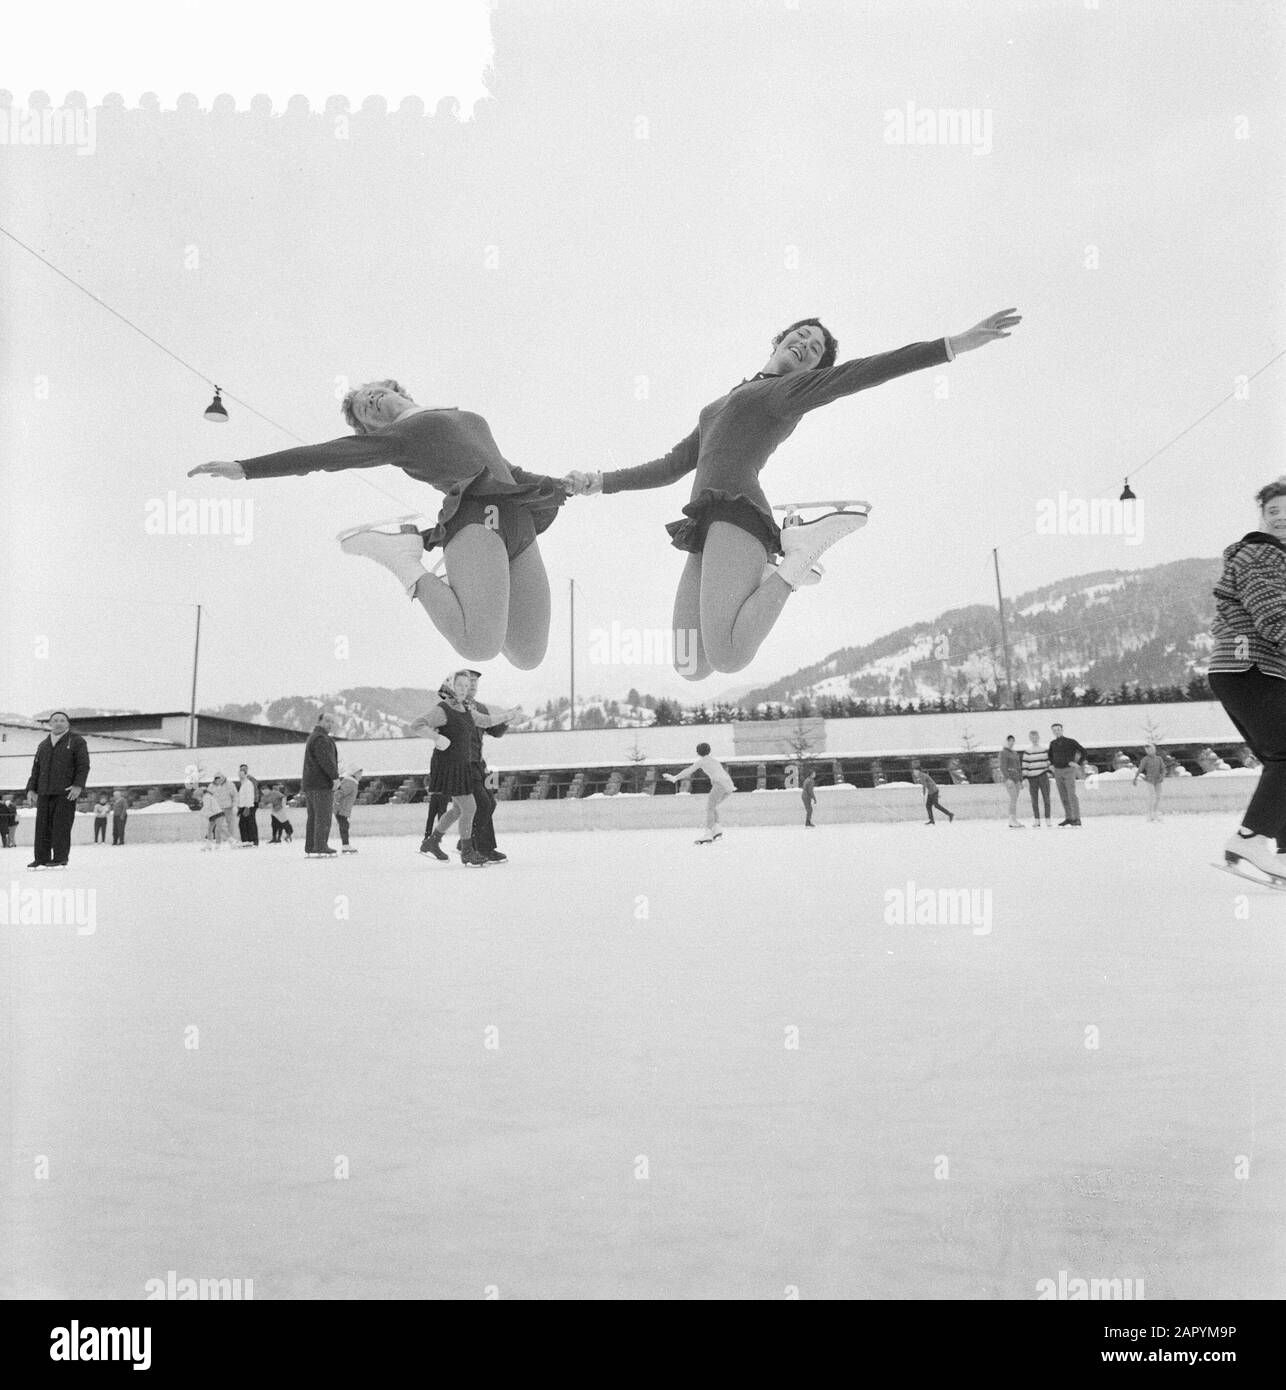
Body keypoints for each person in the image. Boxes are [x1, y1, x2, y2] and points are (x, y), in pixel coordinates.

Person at [563, 309, 1021, 679]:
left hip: (738, 515)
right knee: (690, 664)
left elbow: (865, 372)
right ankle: (773, 566)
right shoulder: (724, 401)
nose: (805, 343)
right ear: (779, 341)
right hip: (705, 525)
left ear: (813, 369)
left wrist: (953, 346)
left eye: (816, 348)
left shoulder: (787, 391)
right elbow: (668, 468)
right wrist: (600, 482)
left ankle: (796, 560)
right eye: (800, 334)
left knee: (729, 657)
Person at [187, 380, 571, 669]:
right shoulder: (399, 437)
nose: (367, 402)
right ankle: (402, 559)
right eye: (363, 412)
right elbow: (325, 455)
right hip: (475, 518)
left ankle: (444, 577)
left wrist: (555, 484)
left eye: (369, 394)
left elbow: (506, 467)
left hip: (519, 517)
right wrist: (247, 468)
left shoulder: (463, 415)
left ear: (392, 388)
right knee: (479, 646)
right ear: (371, 431)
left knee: (527, 654)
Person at [1207, 478, 1286, 880]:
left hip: (1251, 670)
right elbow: (1274, 618)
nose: (1281, 517)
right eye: (1274, 511)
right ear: (1262, 518)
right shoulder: (1261, 554)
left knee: (1280, 759)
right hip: (1250, 667)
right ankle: (1251, 837)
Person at [411, 674, 518, 865]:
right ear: (450, 686)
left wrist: (507, 716)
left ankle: (432, 842)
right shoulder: (443, 709)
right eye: (459, 685)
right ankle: (467, 851)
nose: (463, 689)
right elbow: (417, 725)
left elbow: (485, 721)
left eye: (466, 685)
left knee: (458, 810)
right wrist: (436, 738)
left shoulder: (466, 709)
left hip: (464, 766)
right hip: (449, 767)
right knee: (471, 807)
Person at [24, 712, 90, 869]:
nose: (58, 723)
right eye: (55, 720)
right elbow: (36, 769)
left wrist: (78, 785)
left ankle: (60, 858)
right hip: (44, 792)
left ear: (68, 723)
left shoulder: (76, 741)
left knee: (61, 826)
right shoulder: (43, 745)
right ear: (50, 723)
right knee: (42, 827)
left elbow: (83, 766)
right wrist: (31, 789)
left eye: (62, 720)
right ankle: (41, 858)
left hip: (65, 792)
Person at [663, 742, 736, 842]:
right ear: (709, 751)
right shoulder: (714, 760)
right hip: (729, 786)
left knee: (710, 808)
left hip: (720, 784)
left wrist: (675, 778)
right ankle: (717, 829)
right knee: (712, 807)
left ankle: (708, 833)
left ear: (698, 752)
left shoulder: (702, 761)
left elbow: (689, 770)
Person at [302, 714, 341, 858]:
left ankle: (311, 846)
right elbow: (326, 760)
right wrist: (335, 777)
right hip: (321, 784)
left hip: (310, 783)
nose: (330, 724)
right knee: (323, 816)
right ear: (319, 721)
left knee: (313, 816)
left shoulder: (313, 737)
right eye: (327, 721)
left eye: (332, 721)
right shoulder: (321, 738)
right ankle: (320, 845)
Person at [1048, 723, 1086, 826]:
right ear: (1052, 731)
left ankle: (1077, 818)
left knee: (1071, 794)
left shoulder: (1070, 742)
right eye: (1054, 730)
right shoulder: (1053, 743)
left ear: (1062, 730)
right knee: (1063, 795)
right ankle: (1069, 817)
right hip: (1058, 771)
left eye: (1058, 729)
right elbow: (1050, 756)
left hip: (1069, 770)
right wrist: (1051, 765)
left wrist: (1077, 763)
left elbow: (1083, 751)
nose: (1057, 731)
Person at [1022, 730, 1052, 827]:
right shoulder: (1027, 751)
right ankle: (1037, 820)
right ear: (1030, 738)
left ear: (1038, 737)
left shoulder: (1043, 750)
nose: (1034, 739)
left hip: (1043, 776)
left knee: (1046, 798)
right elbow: (1025, 765)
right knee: (1034, 799)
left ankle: (1048, 819)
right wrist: (1025, 778)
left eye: (1036, 737)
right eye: (1032, 737)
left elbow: (1048, 763)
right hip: (1032, 778)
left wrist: (1049, 773)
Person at [1133, 743, 1166, 822]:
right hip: (1149, 780)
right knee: (1152, 796)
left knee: (1158, 797)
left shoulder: (1159, 759)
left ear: (1154, 750)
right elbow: (1140, 768)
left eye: (1151, 750)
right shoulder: (1145, 759)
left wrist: (1162, 776)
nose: (1149, 751)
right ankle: (1150, 814)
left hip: (1158, 780)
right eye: (1147, 750)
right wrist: (1135, 778)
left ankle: (1155, 813)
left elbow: (1163, 768)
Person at [998, 734, 1024, 828]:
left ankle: (1014, 819)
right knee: (1013, 798)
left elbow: (1018, 767)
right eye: (1009, 741)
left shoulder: (1015, 753)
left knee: (1015, 799)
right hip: (1009, 778)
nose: (1011, 743)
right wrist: (1007, 778)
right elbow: (1003, 766)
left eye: (1013, 741)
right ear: (1006, 741)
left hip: (1016, 778)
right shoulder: (1003, 752)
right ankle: (1010, 820)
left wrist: (1021, 780)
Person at [334, 767, 361, 854]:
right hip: (341, 809)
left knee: (345, 825)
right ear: (354, 773)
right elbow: (340, 793)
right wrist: (336, 802)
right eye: (359, 773)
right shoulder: (350, 783)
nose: (361, 776)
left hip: (342, 809)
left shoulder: (352, 783)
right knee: (344, 825)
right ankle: (345, 845)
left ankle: (345, 844)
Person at [235, 764, 260, 846]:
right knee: (244, 823)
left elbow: (251, 794)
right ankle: (247, 840)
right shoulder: (243, 782)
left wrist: (248, 806)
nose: (241, 773)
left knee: (250, 822)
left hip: (251, 804)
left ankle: (252, 840)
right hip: (246, 805)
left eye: (243, 770)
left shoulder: (250, 781)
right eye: (240, 770)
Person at [200, 783, 230, 849]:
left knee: (218, 829)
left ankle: (219, 844)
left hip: (218, 814)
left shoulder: (206, 797)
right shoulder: (206, 797)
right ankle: (209, 845)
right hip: (213, 815)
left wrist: (202, 813)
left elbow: (206, 807)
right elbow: (207, 808)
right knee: (210, 830)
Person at [209, 774, 236, 844]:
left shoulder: (229, 784)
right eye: (216, 779)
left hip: (228, 807)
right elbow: (209, 797)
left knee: (230, 824)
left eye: (219, 779)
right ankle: (219, 842)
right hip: (217, 809)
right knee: (219, 826)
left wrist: (234, 806)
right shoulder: (211, 786)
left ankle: (232, 841)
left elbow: (235, 795)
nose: (218, 781)